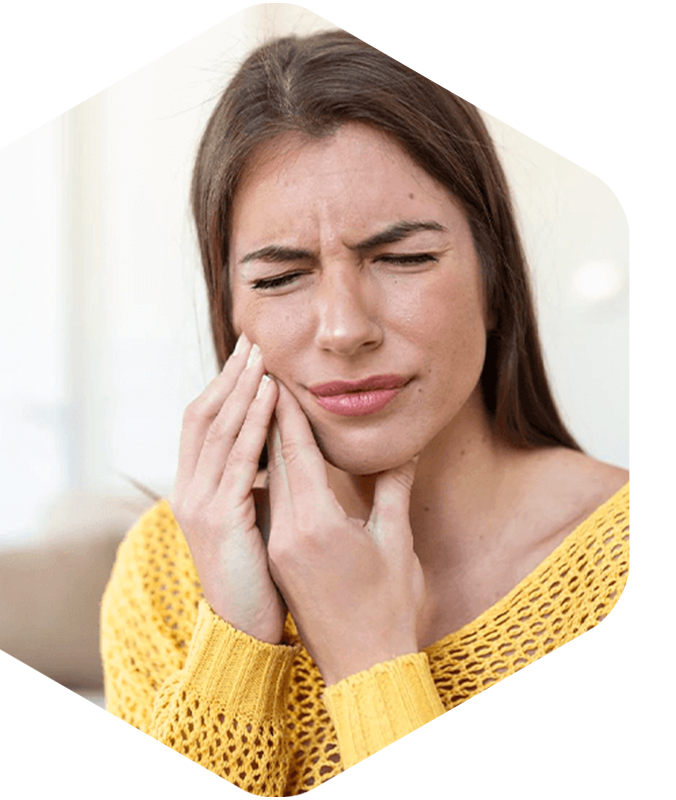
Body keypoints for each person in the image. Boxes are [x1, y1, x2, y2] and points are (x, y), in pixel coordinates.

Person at [85, 30, 629, 798]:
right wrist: (236, 645)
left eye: (403, 259)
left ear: (496, 277)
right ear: (230, 310)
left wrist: (373, 664)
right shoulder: (168, 569)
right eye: (280, 276)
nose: (344, 328)